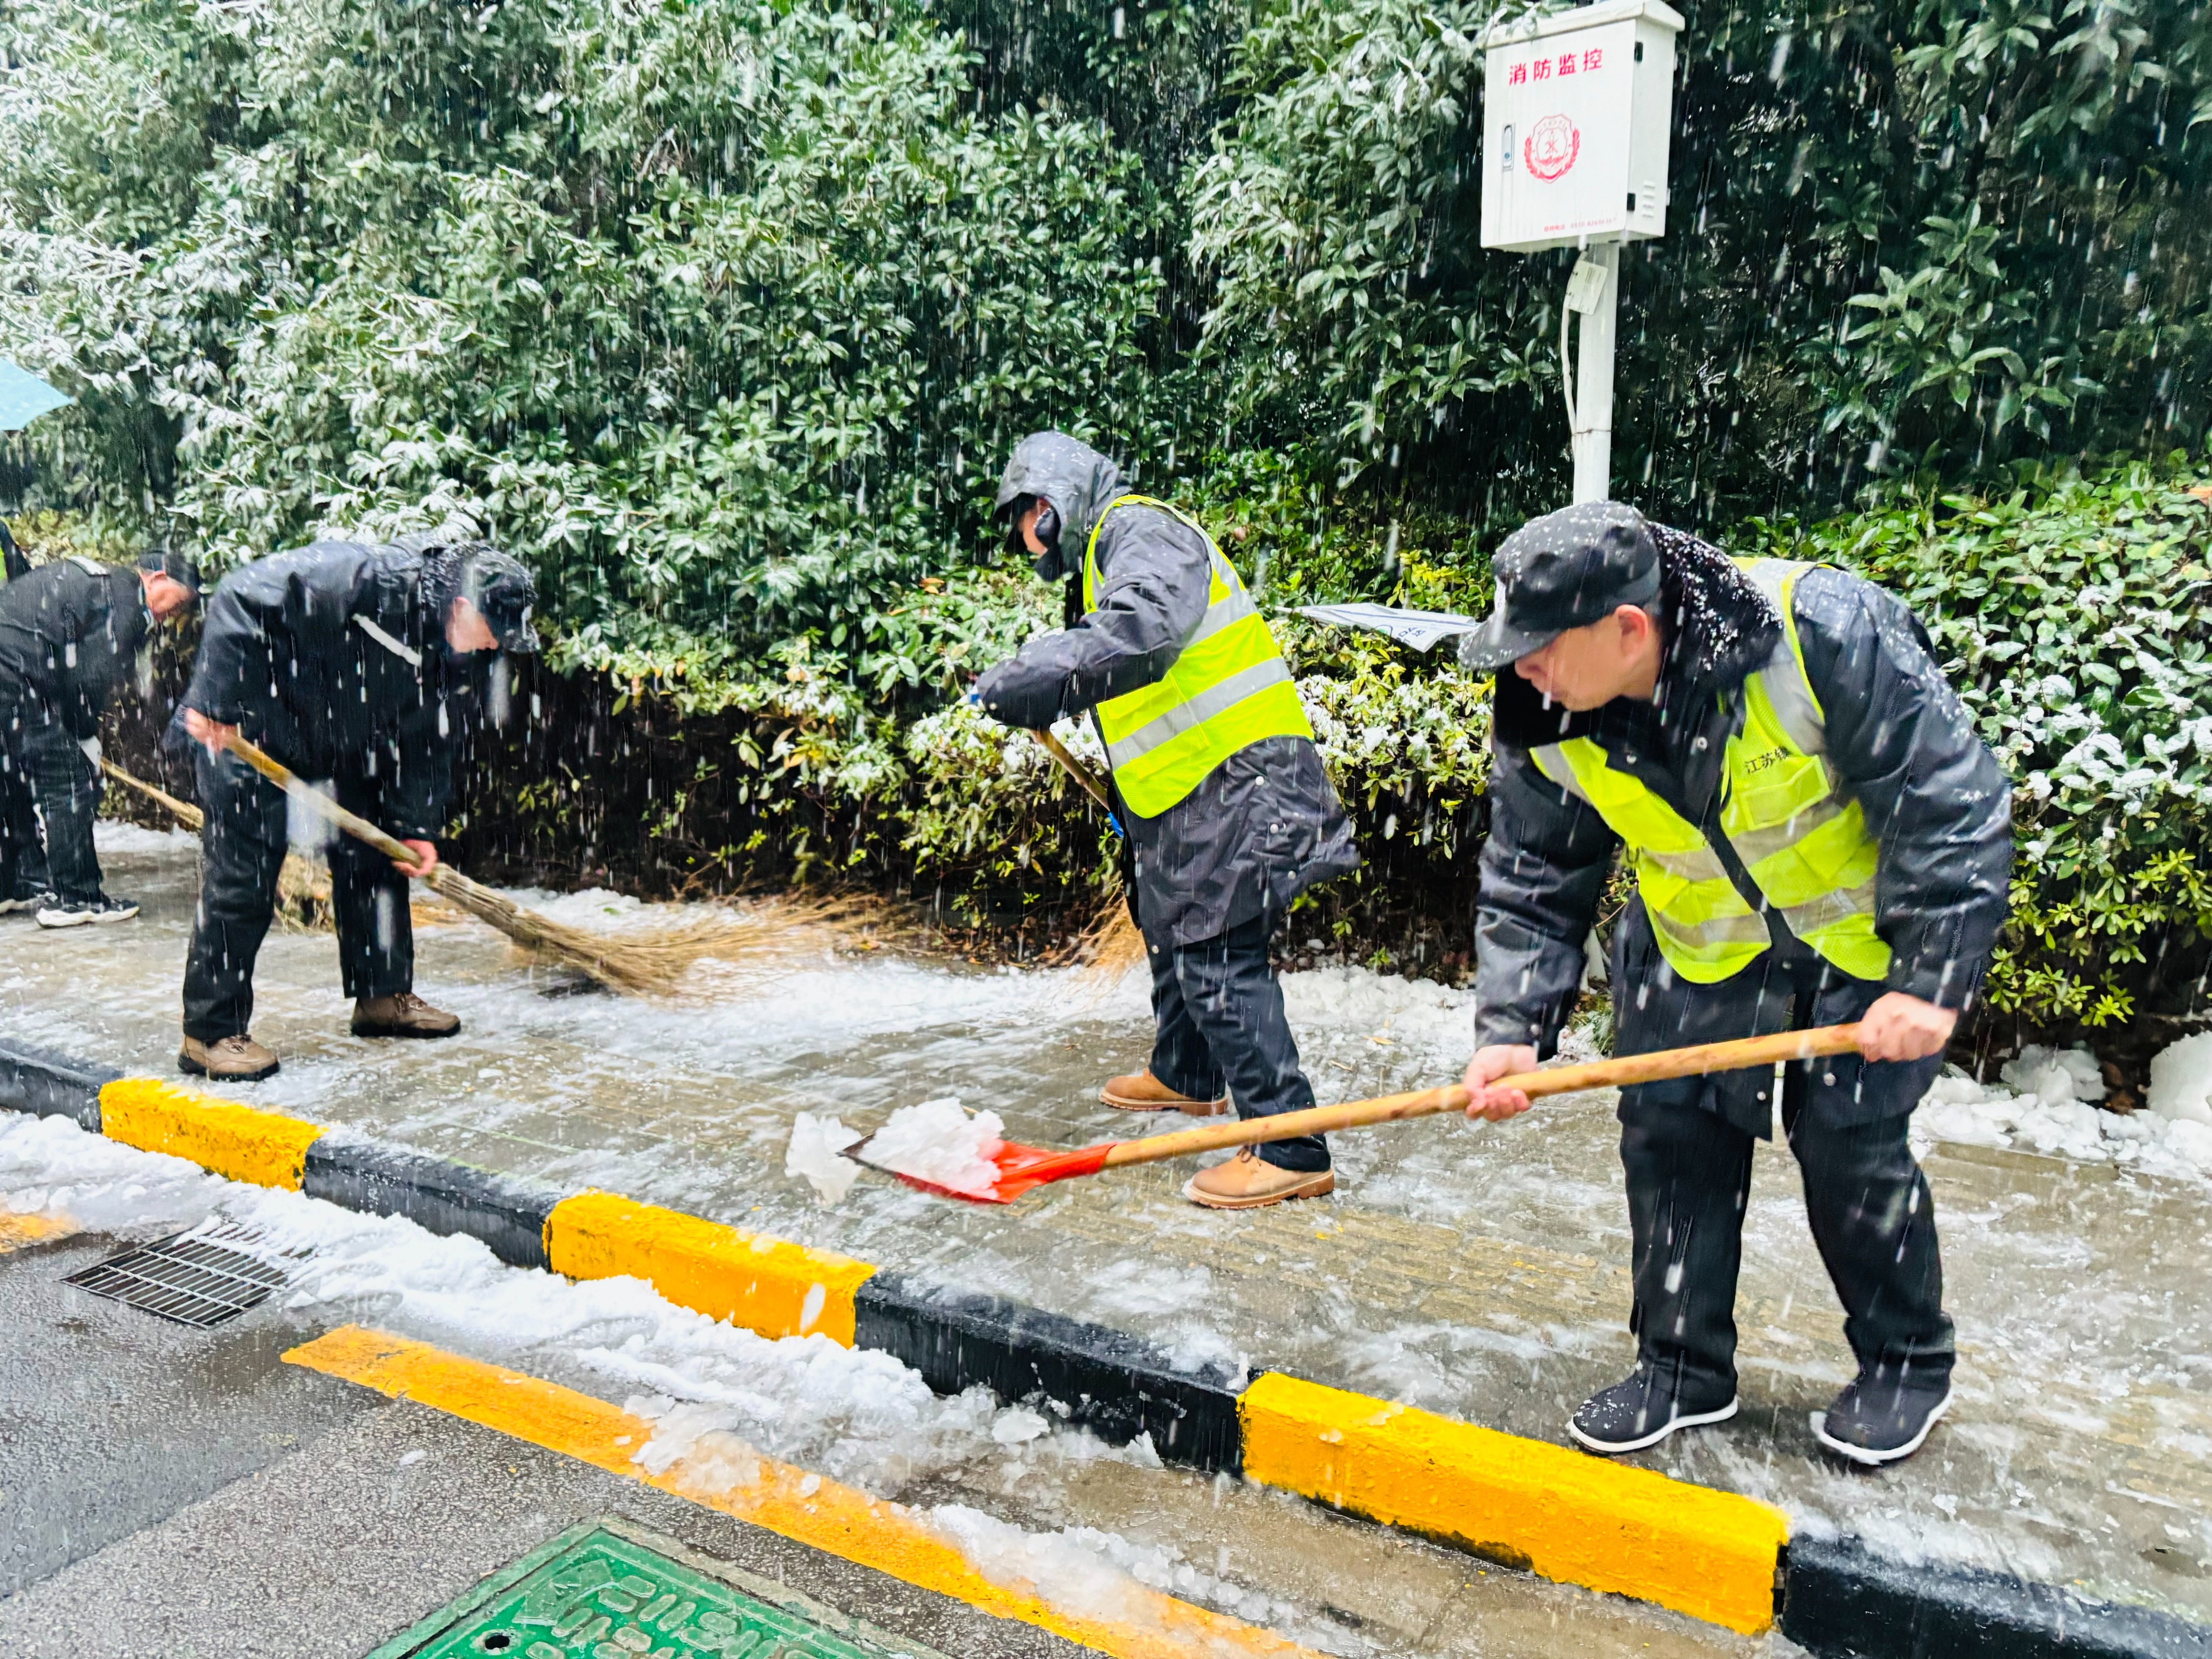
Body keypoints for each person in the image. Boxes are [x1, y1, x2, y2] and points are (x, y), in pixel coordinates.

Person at [1457, 502, 2010, 1467]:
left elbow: (1947, 800)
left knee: (1846, 1146)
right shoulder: (1541, 710)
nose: (1521, 668)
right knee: (1669, 1140)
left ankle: (1904, 1361)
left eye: (1537, 647)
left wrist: (1929, 976)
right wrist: (1512, 1021)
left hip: (1852, 952)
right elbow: (1534, 869)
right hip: (1694, 946)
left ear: (1629, 629)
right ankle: (1679, 1366)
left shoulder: (1821, 632)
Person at [973, 432, 1360, 1210]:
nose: (1022, 542)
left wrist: (1033, 677)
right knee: (1164, 915)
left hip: (1243, 778)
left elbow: (1141, 634)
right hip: (1197, 790)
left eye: (1022, 520)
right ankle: (1186, 1074)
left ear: (1048, 506)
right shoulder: (1099, 559)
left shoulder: (1137, 528)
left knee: (1216, 954)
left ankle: (1290, 1146)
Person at [175, 536, 539, 1082]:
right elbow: (240, 594)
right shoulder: (363, 579)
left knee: (378, 861)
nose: (495, 648)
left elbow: (432, 738)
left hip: (347, 746)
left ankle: (381, 997)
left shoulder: (458, 649)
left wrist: (415, 823)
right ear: (463, 608)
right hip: (250, 731)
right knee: (241, 881)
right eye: (494, 633)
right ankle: (210, 1033)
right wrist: (216, 701)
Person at [0, 547, 201, 925]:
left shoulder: (104, 584)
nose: (173, 615)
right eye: (179, 602)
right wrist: (84, 739)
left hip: (11, 667)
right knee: (69, 783)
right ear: (156, 578)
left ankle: (9, 882)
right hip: (15, 677)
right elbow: (88, 682)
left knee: (10, 775)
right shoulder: (127, 605)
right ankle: (76, 899)